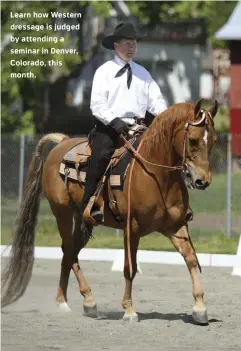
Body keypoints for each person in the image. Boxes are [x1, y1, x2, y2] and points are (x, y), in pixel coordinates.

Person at [82, 22, 167, 222]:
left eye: (134, 44)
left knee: (166, 154)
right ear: (116, 46)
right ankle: (88, 203)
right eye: (127, 44)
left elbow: (157, 102)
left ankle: (171, 203)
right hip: (110, 128)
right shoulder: (104, 71)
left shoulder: (143, 73)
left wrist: (165, 119)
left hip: (139, 128)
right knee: (101, 155)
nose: (131, 48)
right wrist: (115, 121)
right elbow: (97, 104)